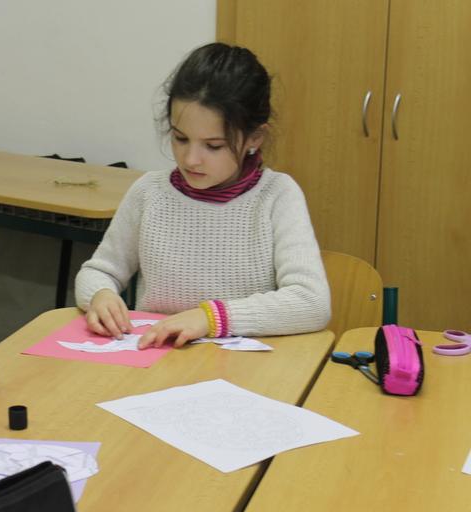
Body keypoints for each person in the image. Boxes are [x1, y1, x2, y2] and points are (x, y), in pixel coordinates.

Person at [75, 42, 330, 348]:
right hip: (159, 359)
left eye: (213, 146)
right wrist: (101, 295)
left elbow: (312, 301)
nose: (191, 159)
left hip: (245, 366)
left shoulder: (277, 196)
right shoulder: (149, 193)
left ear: (254, 138)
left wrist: (211, 318)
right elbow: (98, 271)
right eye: (180, 138)